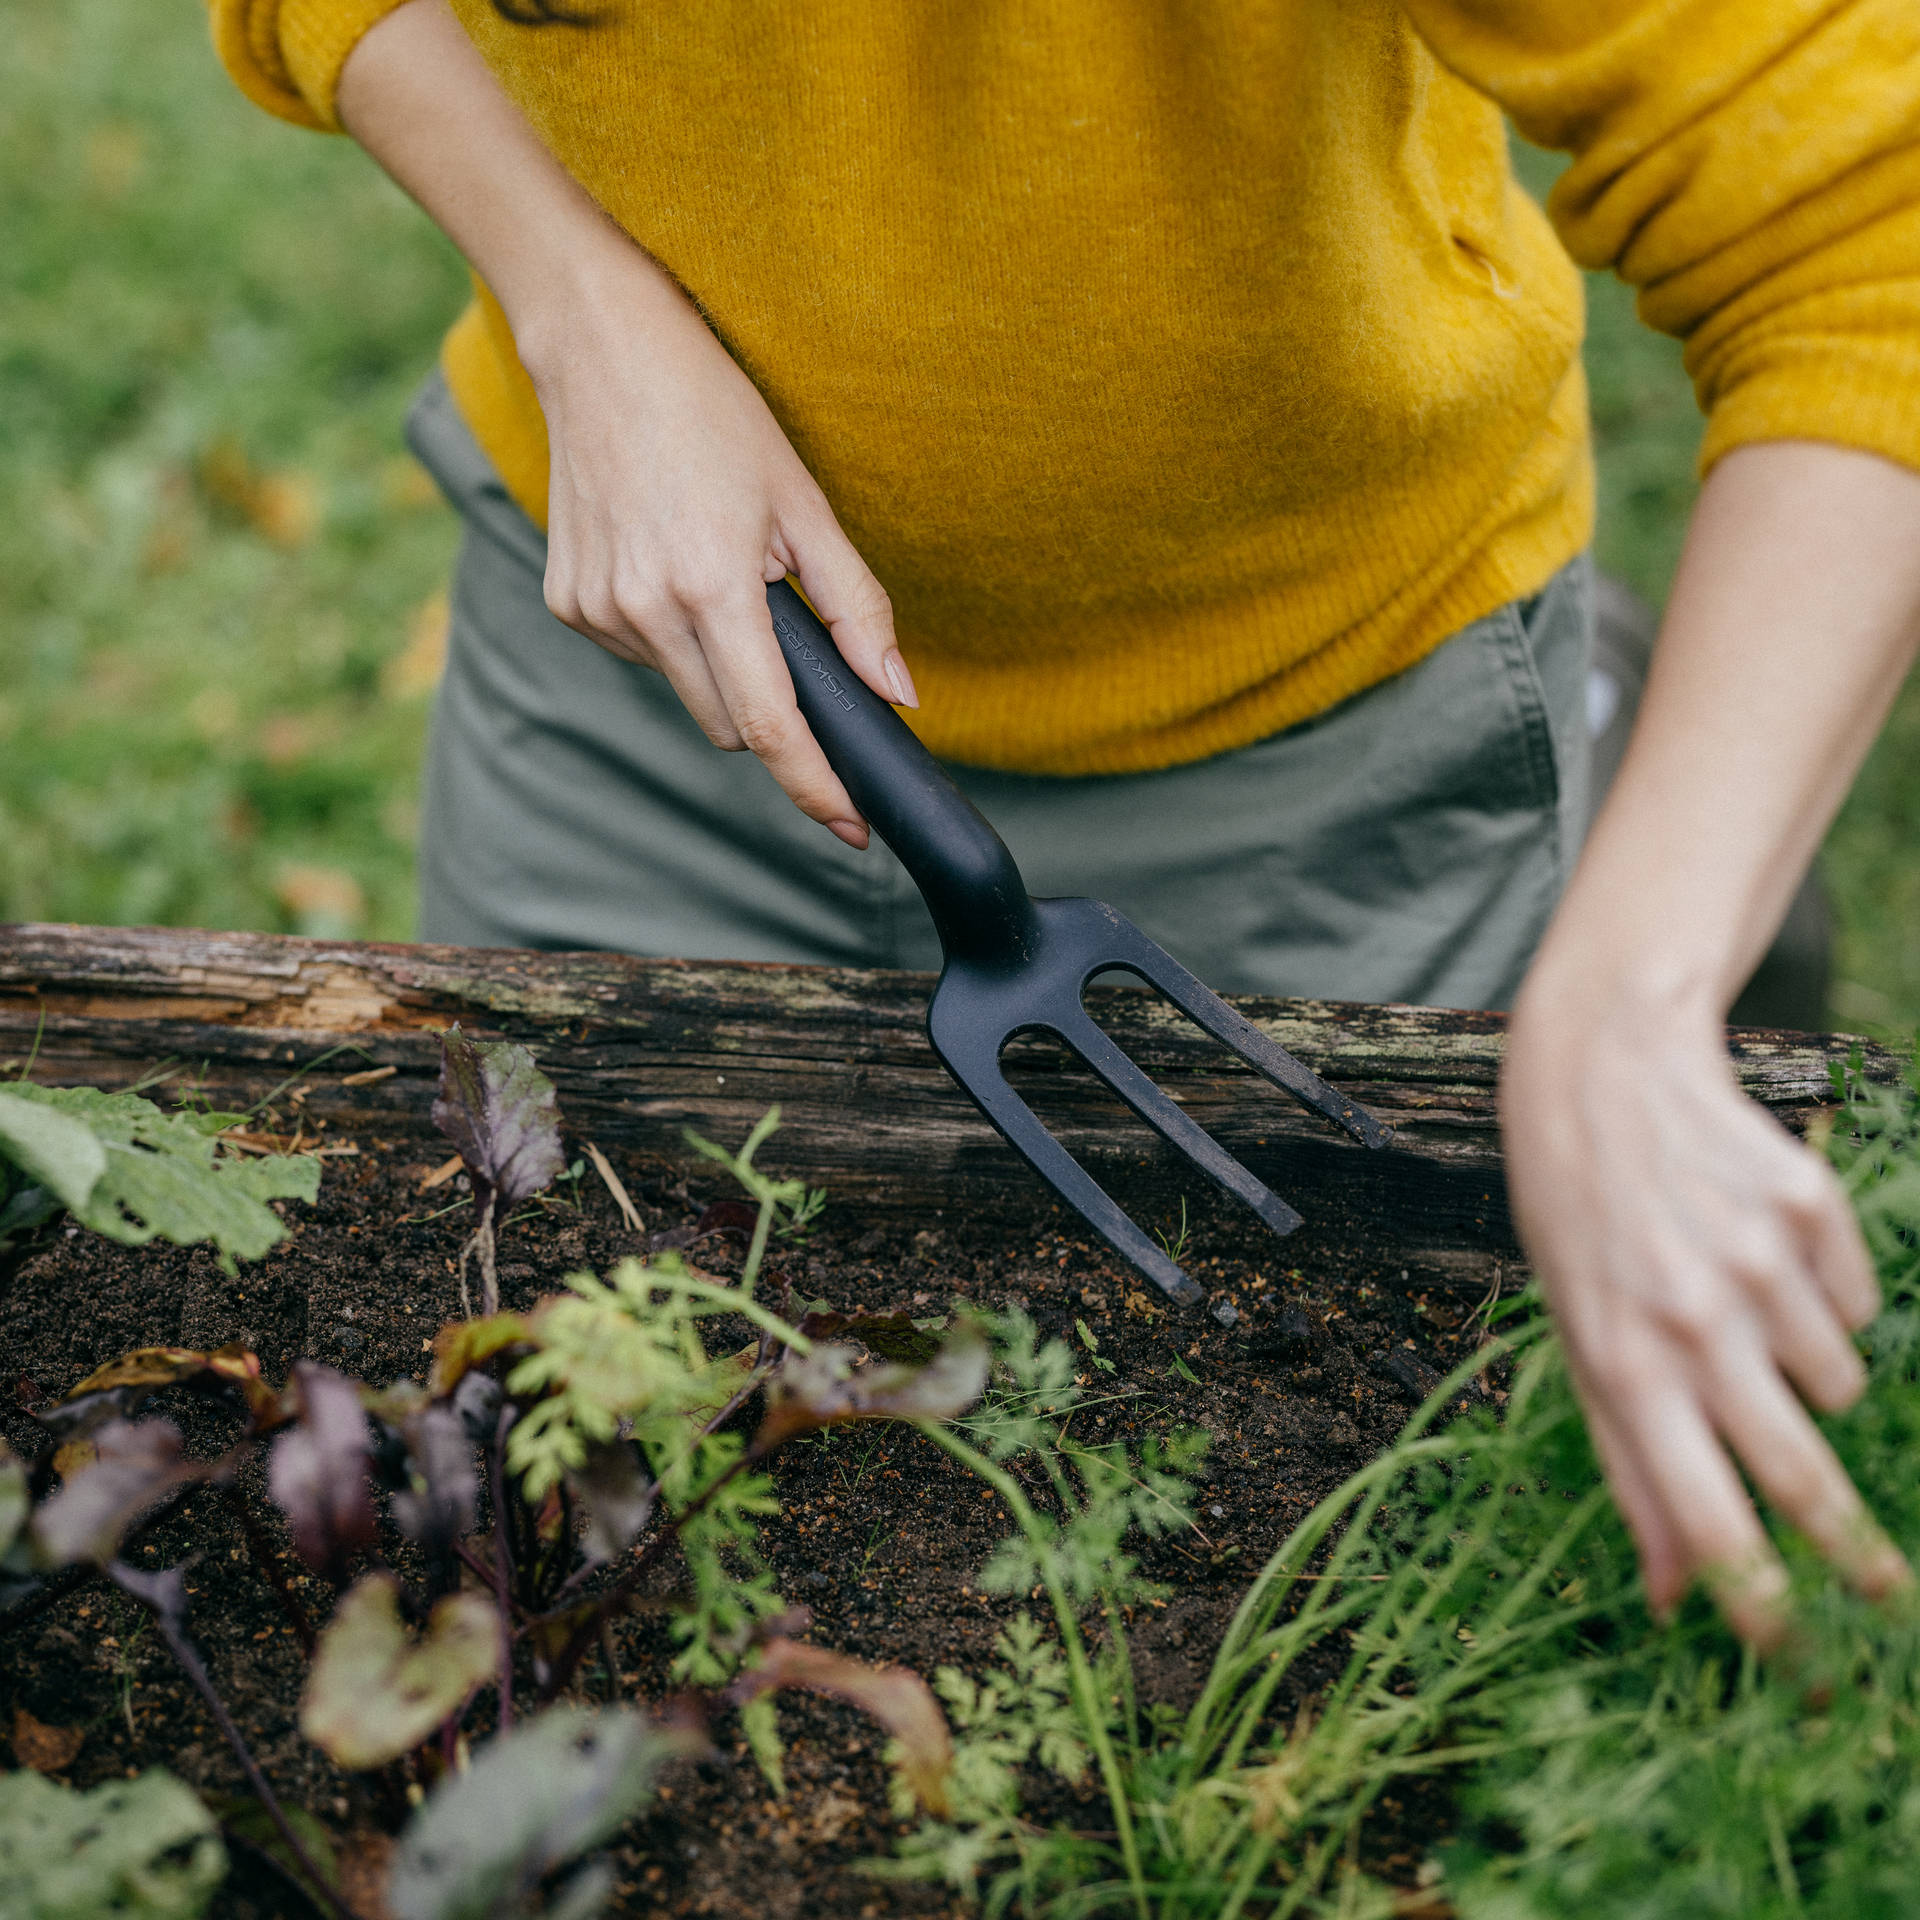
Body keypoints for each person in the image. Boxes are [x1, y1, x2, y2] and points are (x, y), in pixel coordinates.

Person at [211, 0, 1920, 1644]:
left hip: (1311, 724)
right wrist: (570, 292)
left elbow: (1872, 241)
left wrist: (1625, 1004)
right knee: (589, 1496)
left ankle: (1662, 799)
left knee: (1331, 1541)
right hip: (641, 660)